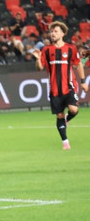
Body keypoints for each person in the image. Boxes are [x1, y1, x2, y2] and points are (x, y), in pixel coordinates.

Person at [32, 21, 88, 149]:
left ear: (63, 34)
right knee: (59, 115)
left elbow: (78, 64)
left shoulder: (71, 48)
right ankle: (65, 142)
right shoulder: (46, 50)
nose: (52, 33)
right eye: (51, 31)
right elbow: (39, 68)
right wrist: (38, 59)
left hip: (69, 86)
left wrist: (83, 81)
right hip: (54, 89)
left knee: (74, 110)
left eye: (55, 31)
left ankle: (68, 119)